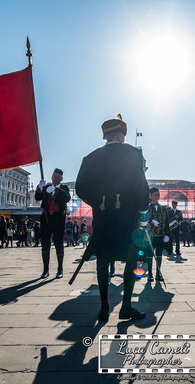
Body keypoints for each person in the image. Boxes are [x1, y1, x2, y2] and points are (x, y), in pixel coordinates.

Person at [75, 114, 149, 322]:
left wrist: (99, 200)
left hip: (103, 216)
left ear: (106, 135)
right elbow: (142, 187)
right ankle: (126, 306)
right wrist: (142, 217)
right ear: (120, 134)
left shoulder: (91, 157)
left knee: (103, 261)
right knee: (131, 259)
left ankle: (104, 306)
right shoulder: (134, 154)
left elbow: (80, 187)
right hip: (127, 218)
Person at [35, 168, 71, 279]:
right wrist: (40, 188)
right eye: (53, 176)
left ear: (61, 179)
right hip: (46, 218)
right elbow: (37, 197)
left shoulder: (64, 188)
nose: (54, 178)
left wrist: (56, 190)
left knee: (58, 243)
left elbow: (67, 198)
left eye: (56, 177)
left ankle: (60, 269)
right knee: (45, 244)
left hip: (58, 218)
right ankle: (45, 270)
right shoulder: (46, 187)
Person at [147, 187, 170, 282]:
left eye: (158, 195)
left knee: (159, 255)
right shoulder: (147, 207)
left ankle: (158, 273)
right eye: (155, 195)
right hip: (150, 235)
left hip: (161, 235)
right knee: (149, 255)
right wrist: (151, 221)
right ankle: (150, 274)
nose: (157, 196)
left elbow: (167, 221)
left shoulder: (164, 208)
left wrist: (167, 234)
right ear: (150, 196)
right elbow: (142, 219)